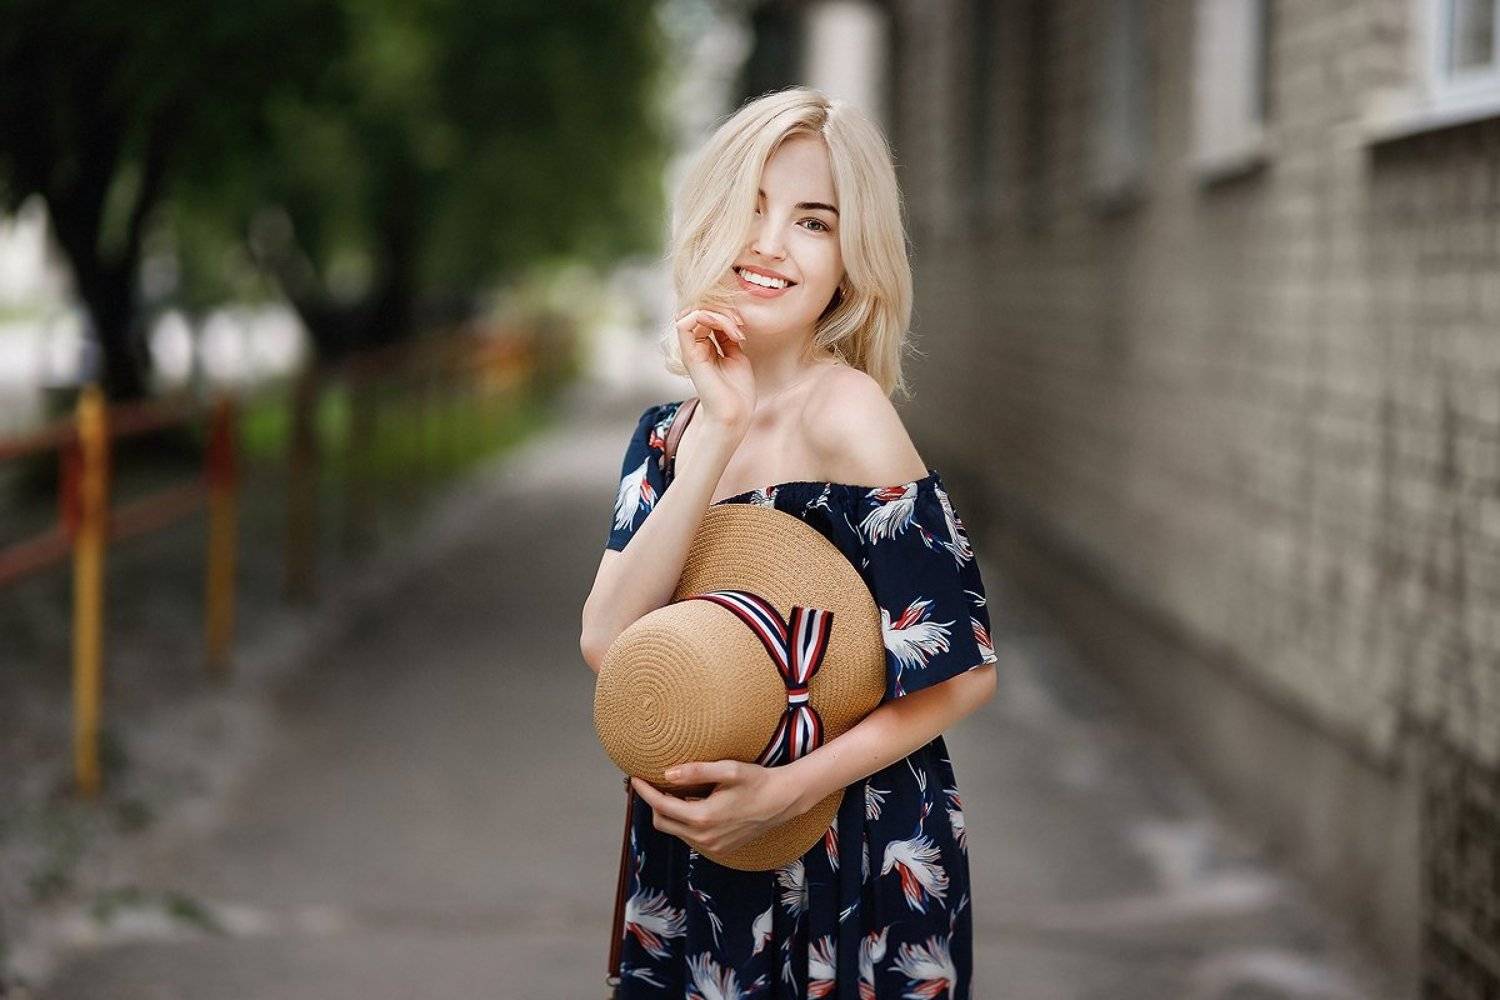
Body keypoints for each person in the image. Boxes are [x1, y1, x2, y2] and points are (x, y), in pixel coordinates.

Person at [579, 86, 999, 999]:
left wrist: (788, 791)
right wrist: (718, 432)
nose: (769, 243)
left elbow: (961, 669)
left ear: (849, 262)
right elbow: (609, 642)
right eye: (752, 207)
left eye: (813, 222)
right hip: (695, 855)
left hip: (853, 846)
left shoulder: (850, 415)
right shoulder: (666, 436)